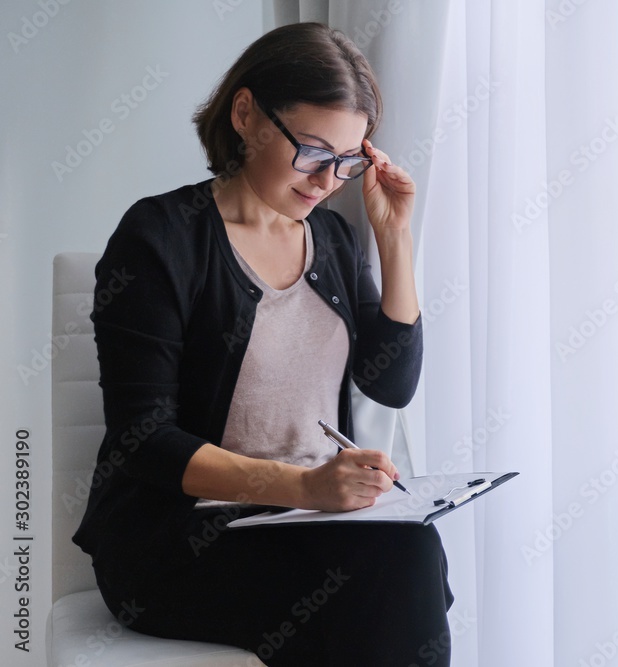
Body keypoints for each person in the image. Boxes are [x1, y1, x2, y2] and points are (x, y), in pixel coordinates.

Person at [72, 22, 454, 666]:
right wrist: (303, 488)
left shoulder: (333, 240)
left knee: (407, 555)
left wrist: (395, 241)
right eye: (311, 150)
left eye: (347, 159)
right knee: (396, 574)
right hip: (180, 540)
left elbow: (391, 383)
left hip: (308, 526)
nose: (327, 179)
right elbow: (144, 440)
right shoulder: (159, 236)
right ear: (246, 113)